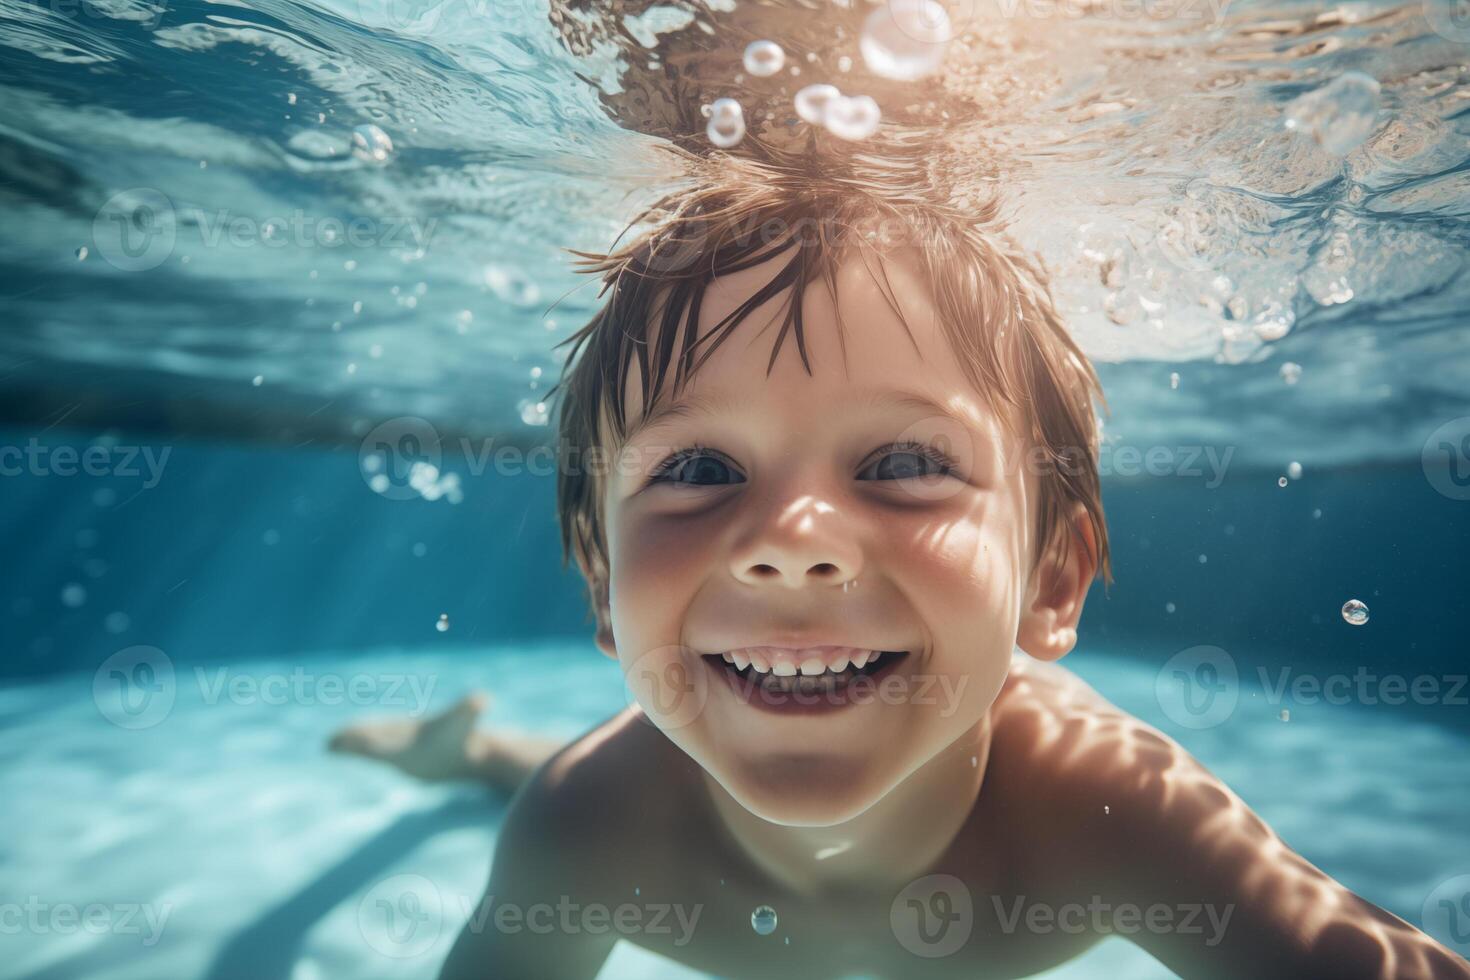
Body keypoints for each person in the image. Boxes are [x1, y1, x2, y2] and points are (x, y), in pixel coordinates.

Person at [330, 150, 1469, 978]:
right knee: (549, 768)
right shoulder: (586, 827)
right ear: (602, 588)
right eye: (699, 466)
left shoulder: (1107, 810)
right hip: (618, 769)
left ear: (1052, 579)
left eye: (908, 459)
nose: (793, 537)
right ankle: (469, 751)